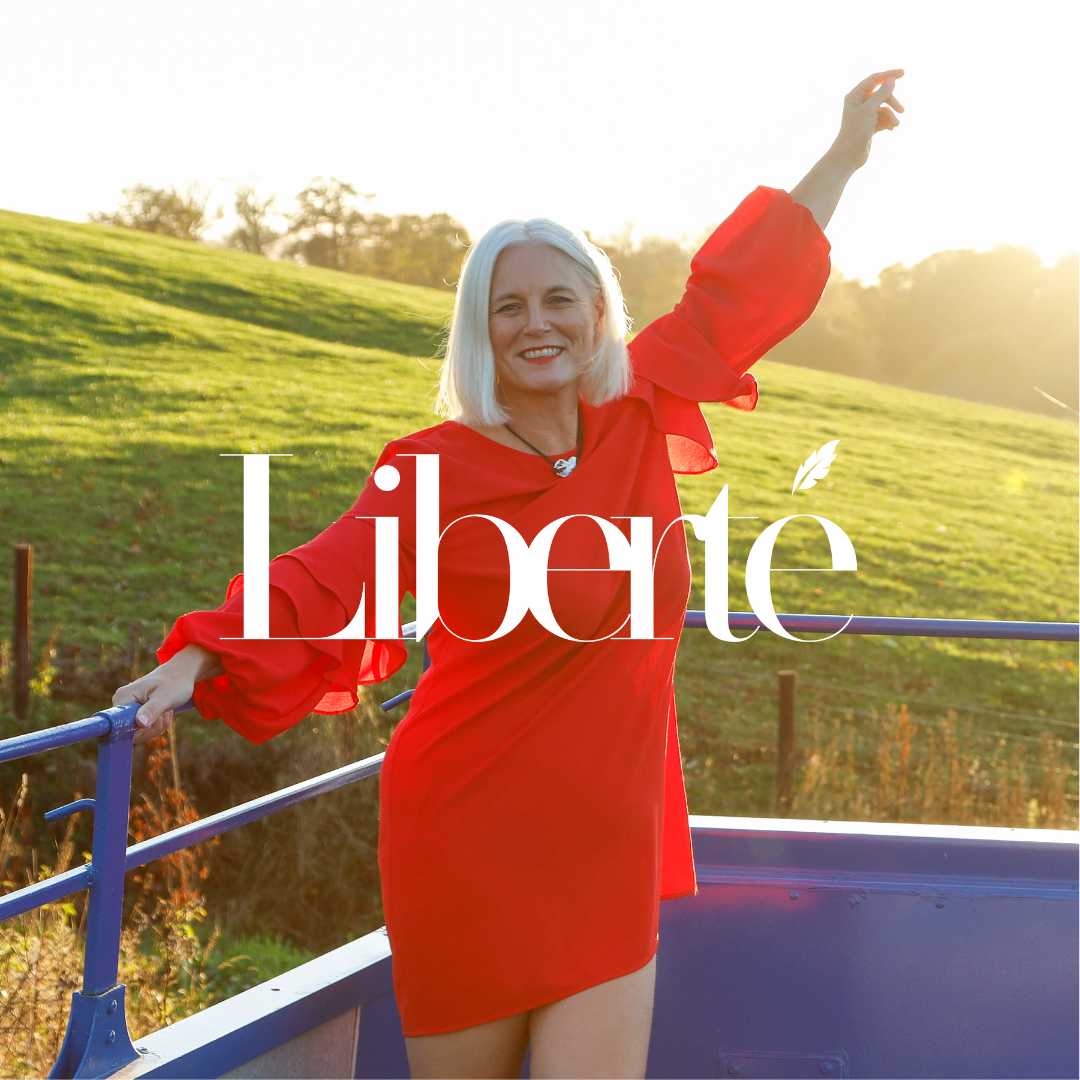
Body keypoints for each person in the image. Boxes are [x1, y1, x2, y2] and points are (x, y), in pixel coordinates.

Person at [115, 70, 904, 1080]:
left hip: (607, 839)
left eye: (560, 300)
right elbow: (329, 572)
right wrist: (196, 657)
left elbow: (742, 289)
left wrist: (841, 156)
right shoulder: (432, 468)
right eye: (510, 306)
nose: (538, 324)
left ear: (598, 312)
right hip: (467, 833)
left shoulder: (641, 407)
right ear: (480, 330)